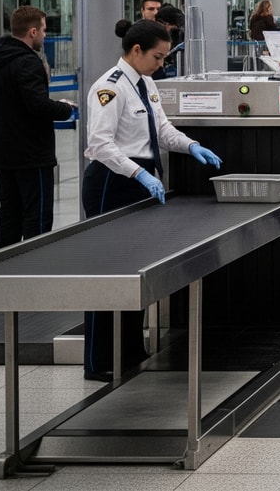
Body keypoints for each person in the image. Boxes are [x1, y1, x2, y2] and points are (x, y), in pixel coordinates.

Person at [82, 20, 223, 382]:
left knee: (134, 273)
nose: (162, 63)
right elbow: (100, 144)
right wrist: (139, 173)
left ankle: (129, 350)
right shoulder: (109, 88)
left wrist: (189, 145)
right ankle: (100, 360)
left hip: (138, 181)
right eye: (157, 57)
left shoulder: (145, 83)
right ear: (136, 51)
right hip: (111, 182)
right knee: (108, 273)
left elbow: (161, 130)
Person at [0, 6, 75, 248]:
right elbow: (37, 105)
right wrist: (65, 108)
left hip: (4, 150)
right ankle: (35, 271)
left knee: (10, 212)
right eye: (43, 30)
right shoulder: (26, 62)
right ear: (32, 31)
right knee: (38, 215)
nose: (45, 35)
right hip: (31, 153)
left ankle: (1, 267)